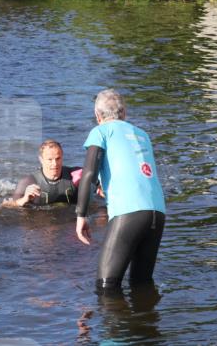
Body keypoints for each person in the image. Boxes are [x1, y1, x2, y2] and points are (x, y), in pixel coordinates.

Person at [76, 89, 166, 291]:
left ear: (97, 116)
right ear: (124, 113)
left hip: (129, 213)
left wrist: (81, 215)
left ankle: (114, 322)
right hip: (157, 213)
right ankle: (145, 321)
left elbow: (88, 173)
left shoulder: (100, 131)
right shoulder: (143, 135)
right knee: (141, 285)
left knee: (106, 287)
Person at [5, 139, 82, 207]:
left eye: (58, 158)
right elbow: (7, 206)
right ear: (41, 160)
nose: (55, 163)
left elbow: (92, 172)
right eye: (50, 159)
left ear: (62, 157)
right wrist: (25, 198)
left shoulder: (74, 174)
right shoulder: (28, 182)